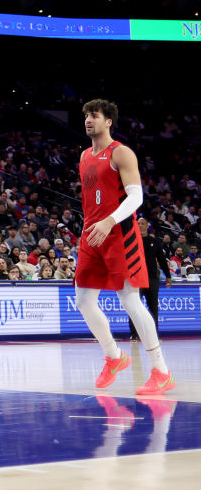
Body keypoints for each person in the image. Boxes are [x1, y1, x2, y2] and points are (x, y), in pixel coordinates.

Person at [76, 99, 173, 396]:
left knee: (130, 301)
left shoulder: (121, 152)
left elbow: (136, 197)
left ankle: (161, 371)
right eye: (86, 115)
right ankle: (114, 356)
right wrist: (93, 225)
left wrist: (109, 221)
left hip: (120, 233)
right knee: (83, 301)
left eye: (94, 115)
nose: (88, 120)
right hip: (92, 235)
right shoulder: (84, 155)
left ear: (108, 122)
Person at [129, 217, 173, 341]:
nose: (140, 225)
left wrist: (168, 276)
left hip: (152, 278)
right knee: (134, 306)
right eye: (138, 223)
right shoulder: (131, 240)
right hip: (136, 278)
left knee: (153, 306)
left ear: (147, 225)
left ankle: (154, 333)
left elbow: (162, 260)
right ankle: (134, 333)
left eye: (142, 223)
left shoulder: (154, 241)